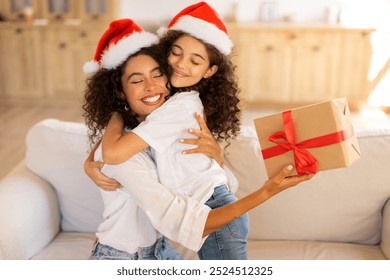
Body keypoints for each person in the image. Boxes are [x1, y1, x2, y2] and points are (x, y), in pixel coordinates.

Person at [97, 2, 313, 260]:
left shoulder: (176, 109)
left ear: (210, 70)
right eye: (175, 53)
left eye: (195, 60)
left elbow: (112, 153)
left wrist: (114, 113)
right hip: (214, 209)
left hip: (216, 213)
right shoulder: (178, 104)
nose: (180, 64)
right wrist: (91, 162)